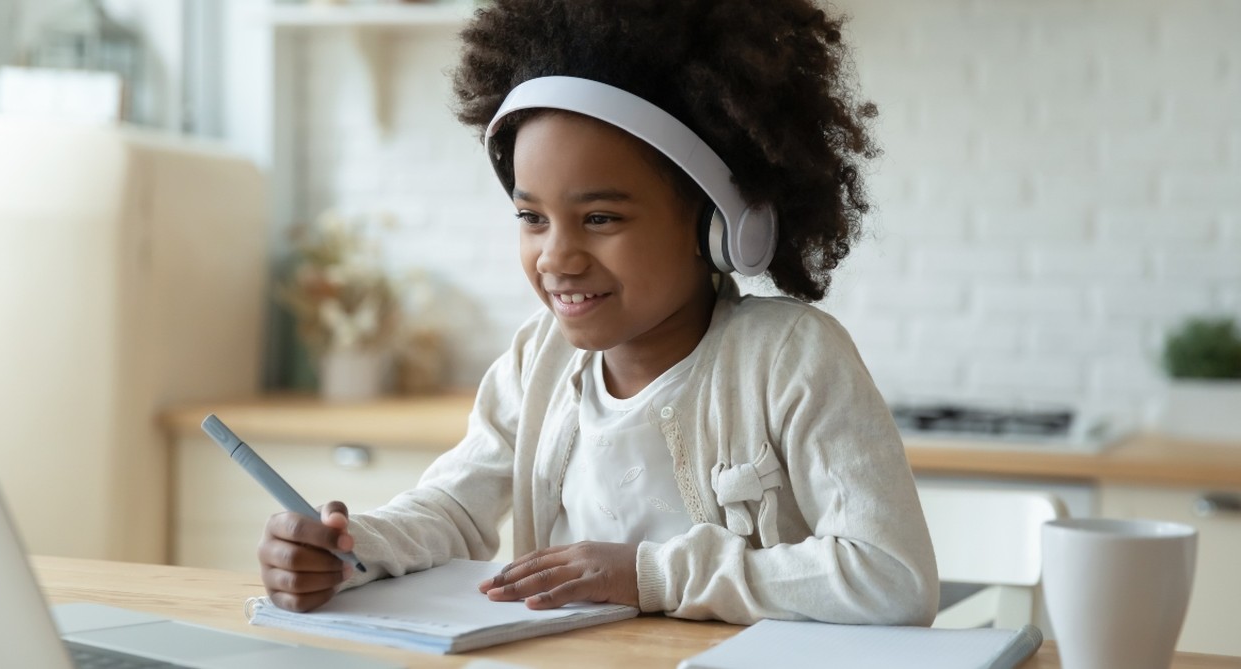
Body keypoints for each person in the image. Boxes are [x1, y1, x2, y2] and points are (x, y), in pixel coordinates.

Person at [257, 0, 939, 626]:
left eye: (600, 217)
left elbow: (894, 579)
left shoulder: (791, 358)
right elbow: (456, 508)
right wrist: (353, 546)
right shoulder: (538, 360)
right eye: (531, 217)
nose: (557, 256)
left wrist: (646, 574)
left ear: (720, 226)